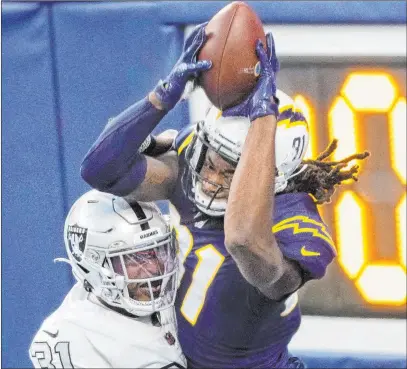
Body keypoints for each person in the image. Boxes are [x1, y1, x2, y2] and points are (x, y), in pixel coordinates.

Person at [80, 23, 369, 368]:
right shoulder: (192, 164)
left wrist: (264, 118)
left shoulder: (297, 225)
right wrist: (162, 97)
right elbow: (100, 171)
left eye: (231, 171)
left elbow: (244, 239)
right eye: (210, 160)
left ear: (273, 177)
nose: (211, 178)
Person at [29, 190, 186, 368]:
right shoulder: (71, 337)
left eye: (159, 252)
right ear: (93, 262)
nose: (154, 268)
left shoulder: (185, 289)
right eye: (136, 259)